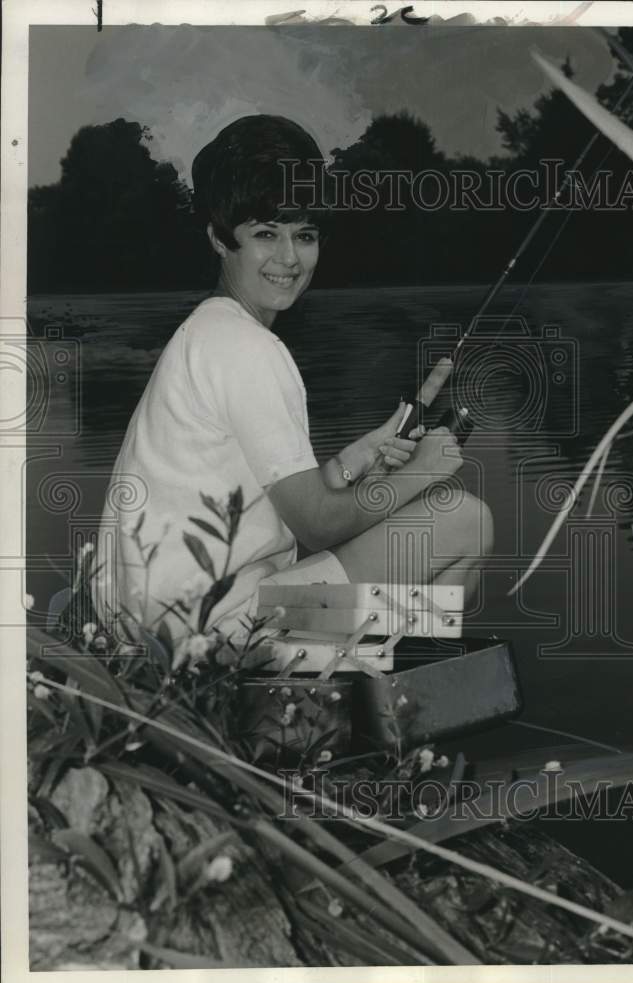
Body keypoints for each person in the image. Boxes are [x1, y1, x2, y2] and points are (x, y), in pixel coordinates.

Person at [93, 115, 493, 648]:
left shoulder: (209, 330)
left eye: (304, 235)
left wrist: (354, 462)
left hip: (154, 619)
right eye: (265, 234)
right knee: (466, 521)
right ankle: (378, 695)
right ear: (218, 238)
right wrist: (422, 473)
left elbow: (283, 499)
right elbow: (316, 526)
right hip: (203, 632)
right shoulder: (247, 348)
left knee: (410, 580)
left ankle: (355, 674)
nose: (288, 258)